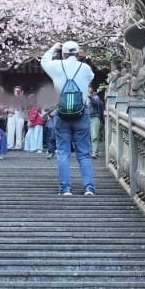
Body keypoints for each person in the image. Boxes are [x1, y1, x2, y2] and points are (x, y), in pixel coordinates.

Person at [40, 41, 95, 196]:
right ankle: (88, 187)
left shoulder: (56, 66)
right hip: (81, 113)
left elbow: (44, 61)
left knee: (63, 152)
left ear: (63, 53)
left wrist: (53, 48)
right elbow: (91, 77)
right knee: (84, 153)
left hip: (61, 113)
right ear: (78, 54)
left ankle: (65, 189)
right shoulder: (85, 68)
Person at [5, 86, 26, 150]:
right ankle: (9, 145)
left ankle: (18, 146)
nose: (17, 92)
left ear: (21, 92)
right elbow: (4, 108)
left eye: (18, 91)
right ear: (14, 91)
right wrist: (8, 110)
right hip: (11, 114)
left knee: (19, 131)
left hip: (20, 115)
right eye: (16, 91)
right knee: (10, 130)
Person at [87, 85, 104, 158]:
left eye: (89, 87)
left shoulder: (95, 97)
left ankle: (94, 153)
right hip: (86, 118)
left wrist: (90, 97)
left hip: (94, 117)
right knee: (85, 136)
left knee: (94, 136)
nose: (87, 88)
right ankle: (86, 152)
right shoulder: (84, 97)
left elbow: (96, 103)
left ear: (92, 89)